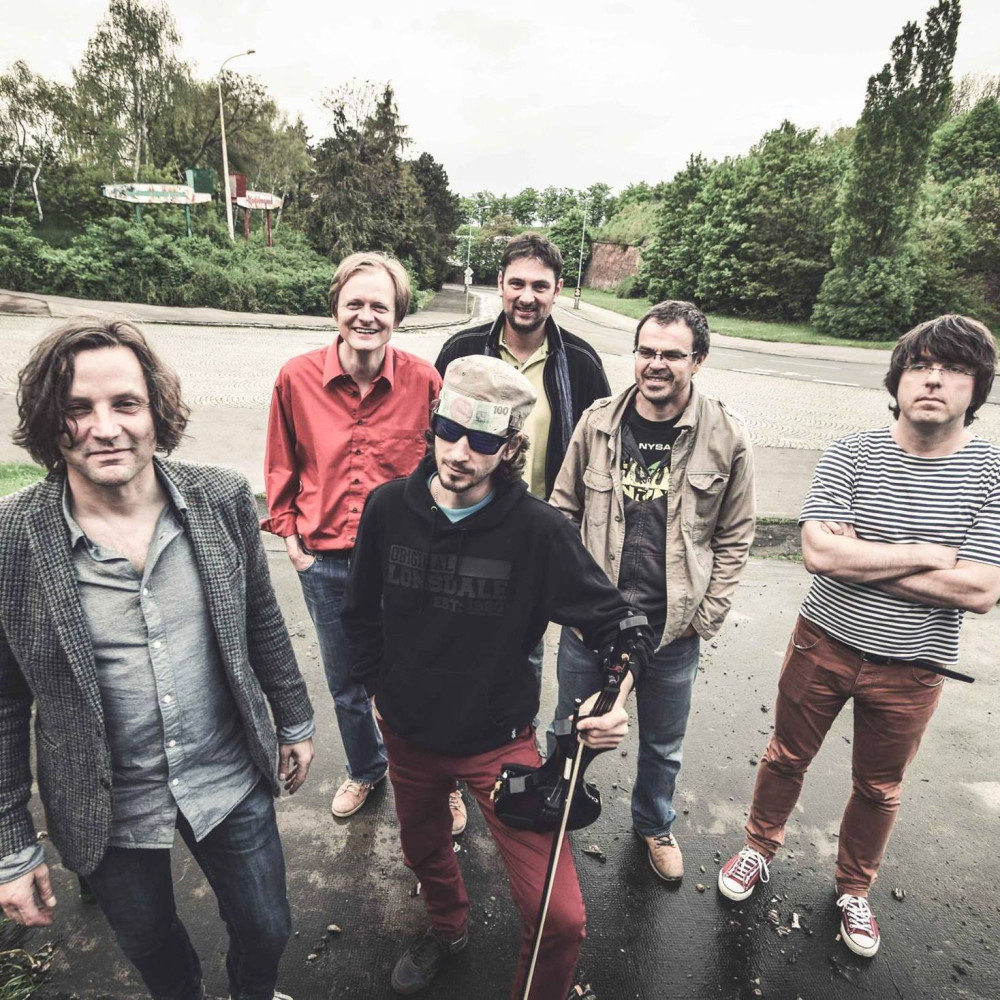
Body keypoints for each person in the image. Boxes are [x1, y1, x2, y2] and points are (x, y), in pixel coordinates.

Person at [0, 317, 314, 1000]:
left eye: (125, 404)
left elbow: (261, 617)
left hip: (226, 773)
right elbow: (3, 701)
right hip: (106, 804)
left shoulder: (221, 498)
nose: (105, 428)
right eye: (77, 408)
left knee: (267, 928)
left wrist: (294, 717)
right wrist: (12, 842)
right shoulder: (11, 538)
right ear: (49, 420)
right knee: (150, 946)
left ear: (156, 411)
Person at [341, 356, 652, 999]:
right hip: (408, 735)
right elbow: (359, 613)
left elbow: (622, 626)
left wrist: (613, 696)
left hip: (499, 744)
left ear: (510, 447)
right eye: (449, 430)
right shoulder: (387, 508)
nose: (459, 453)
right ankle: (446, 927)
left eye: (482, 440)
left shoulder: (538, 530)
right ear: (433, 423)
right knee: (424, 850)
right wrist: (378, 691)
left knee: (559, 917)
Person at [718, 314, 1000, 958]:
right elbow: (820, 555)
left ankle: (853, 889)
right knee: (785, 756)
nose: (933, 380)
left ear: (977, 387)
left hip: (914, 666)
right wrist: (933, 554)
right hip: (824, 641)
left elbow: (981, 590)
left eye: (954, 369)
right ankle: (758, 847)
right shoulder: (852, 452)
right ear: (897, 380)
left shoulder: (992, 472)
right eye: (919, 366)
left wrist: (865, 556)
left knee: (879, 787)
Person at [548, 300, 755, 883]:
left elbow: (736, 535)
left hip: (672, 629)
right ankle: (557, 811)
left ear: (698, 360)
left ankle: (653, 824)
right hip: (594, 622)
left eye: (671, 354)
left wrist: (705, 616)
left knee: (662, 745)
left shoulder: (727, 435)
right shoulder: (597, 424)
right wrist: (570, 599)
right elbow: (562, 512)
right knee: (570, 727)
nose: (655, 364)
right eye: (646, 351)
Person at [263, 252, 442, 821]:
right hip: (327, 563)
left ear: (399, 315)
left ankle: (440, 783)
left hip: (406, 563)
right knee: (346, 683)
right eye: (354, 303)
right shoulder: (296, 378)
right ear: (336, 309)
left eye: (380, 306)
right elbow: (281, 461)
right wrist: (290, 538)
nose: (366, 316)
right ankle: (366, 768)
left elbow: (444, 468)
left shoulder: (424, 380)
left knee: (422, 674)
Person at [434, 232, 610, 501]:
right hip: (467, 512)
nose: (527, 298)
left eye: (539, 286)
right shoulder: (461, 351)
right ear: (501, 283)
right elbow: (431, 435)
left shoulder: (582, 362)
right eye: (517, 284)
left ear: (557, 290)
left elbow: (601, 452)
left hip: (550, 517)